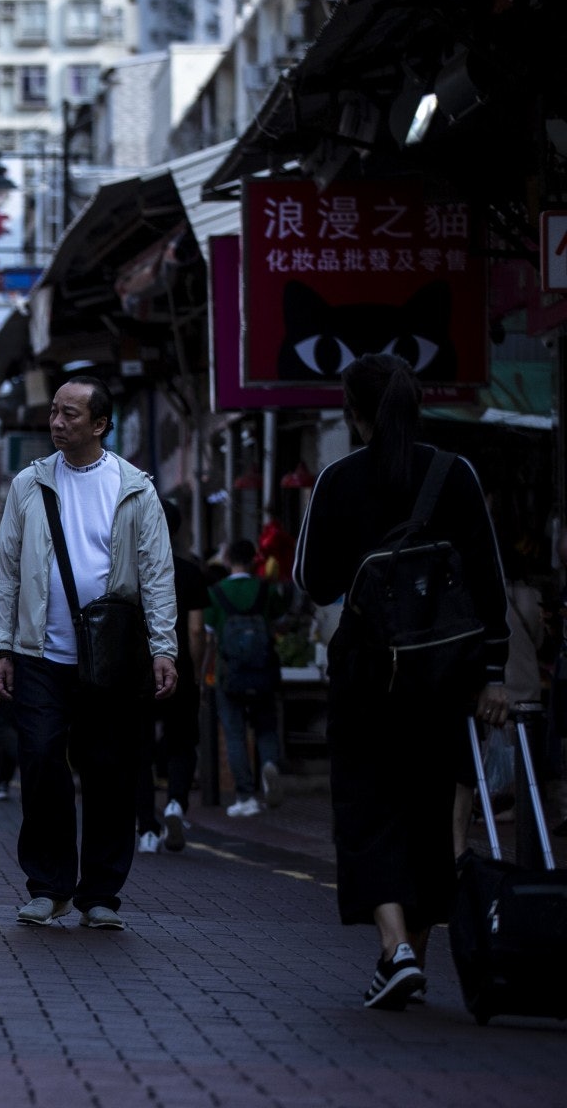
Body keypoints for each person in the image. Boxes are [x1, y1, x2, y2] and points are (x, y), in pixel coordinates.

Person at [295, 353, 509, 1010]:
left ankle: (399, 950)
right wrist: (493, 673)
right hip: (445, 679)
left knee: (367, 811)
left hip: (366, 676)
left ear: (352, 412)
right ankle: (405, 955)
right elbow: (486, 582)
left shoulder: (337, 480)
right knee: (426, 815)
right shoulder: (456, 473)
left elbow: (314, 580)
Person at [0, 376, 177, 931]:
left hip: (112, 657)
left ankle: (100, 894)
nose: (57, 422)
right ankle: (49, 886)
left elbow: (157, 573)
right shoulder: (30, 484)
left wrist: (163, 647)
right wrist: (0, 645)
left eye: (70, 414)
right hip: (41, 652)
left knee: (109, 770)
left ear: (99, 424)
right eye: (54, 412)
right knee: (41, 759)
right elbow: (7, 569)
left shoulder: (134, 488)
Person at [137, 500, 206, 854]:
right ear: (177, 529)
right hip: (178, 667)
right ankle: (177, 802)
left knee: (140, 749)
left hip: (138, 671)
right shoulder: (190, 571)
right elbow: (196, 630)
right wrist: (192, 670)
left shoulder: (132, 570)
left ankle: (146, 829)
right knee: (182, 741)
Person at [207, 538, 288, 819]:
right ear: (255, 560)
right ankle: (269, 767)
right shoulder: (265, 590)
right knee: (266, 727)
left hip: (229, 675)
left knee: (235, 735)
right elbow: (281, 620)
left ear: (227, 560)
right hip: (263, 672)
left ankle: (245, 797)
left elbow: (207, 634)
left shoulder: (216, 593)